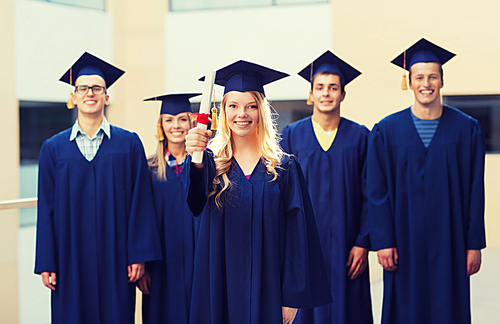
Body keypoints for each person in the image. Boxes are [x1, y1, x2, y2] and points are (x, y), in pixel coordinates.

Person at [185, 60, 332, 324]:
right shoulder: (210, 165)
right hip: (220, 285)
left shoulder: (284, 168)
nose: (242, 114)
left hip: (270, 288)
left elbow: (298, 236)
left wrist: (292, 296)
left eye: (251, 106)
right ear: (222, 112)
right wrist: (195, 160)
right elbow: (195, 202)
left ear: (261, 111)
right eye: (233, 106)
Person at [34, 52, 162, 324]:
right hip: (70, 257)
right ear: (74, 96)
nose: (89, 93)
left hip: (117, 256)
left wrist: (138, 255)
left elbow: (141, 202)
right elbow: (47, 208)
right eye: (83, 88)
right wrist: (47, 261)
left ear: (106, 96)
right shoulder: (53, 149)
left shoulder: (128, 144)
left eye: (97, 88)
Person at [367, 38, 486, 324]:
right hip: (402, 240)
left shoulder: (466, 129)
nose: (426, 83)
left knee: (449, 307)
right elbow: (376, 190)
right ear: (408, 82)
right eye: (419, 77)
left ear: (442, 81)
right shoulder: (386, 131)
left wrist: (474, 244)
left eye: (433, 76)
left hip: (452, 240)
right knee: (405, 309)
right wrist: (383, 241)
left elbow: (475, 190)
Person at [281, 50, 373, 324]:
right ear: (311, 94)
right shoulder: (291, 135)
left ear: (343, 94)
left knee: (348, 311)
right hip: (304, 246)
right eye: (319, 88)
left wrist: (362, 243)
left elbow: (371, 194)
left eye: (333, 88)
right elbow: (282, 193)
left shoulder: (360, 136)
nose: (326, 93)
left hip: (348, 246)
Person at [138, 93, 201, 323]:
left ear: (191, 123)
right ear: (161, 126)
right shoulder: (148, 169)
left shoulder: (202, 166)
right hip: (161, 263)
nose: (176, 126)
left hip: (198, 258)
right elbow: (140, 219)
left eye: (182, 119)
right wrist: (143, 263)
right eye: (169, 120)